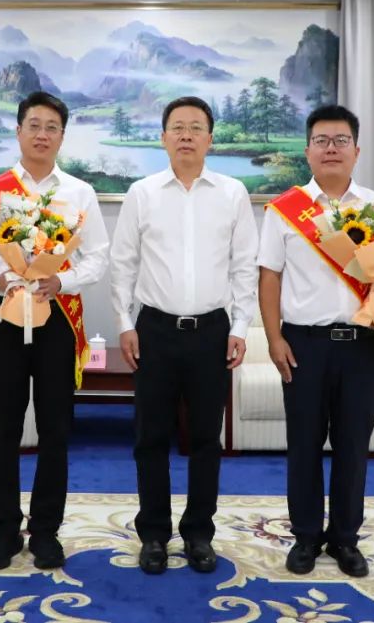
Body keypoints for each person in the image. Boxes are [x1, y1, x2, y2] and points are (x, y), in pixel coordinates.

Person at [257, 104, 374, 577]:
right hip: (303, 343)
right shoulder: (284, 211)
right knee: (303, 445)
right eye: (322, 140)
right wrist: (273, 338)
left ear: (356, 150)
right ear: (308, 150)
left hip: (362, 344)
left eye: (341, 140)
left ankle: (346, 538)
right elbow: (269, 278)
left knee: (353, 447)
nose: (331, 148)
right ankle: (306, 536)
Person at [0, 91, 109, 570]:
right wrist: (2, 278)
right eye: (34, 125)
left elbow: (97, 257)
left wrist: (61, 280)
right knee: (4, 428)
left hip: (58, 318)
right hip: (5, 317)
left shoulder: (79, 192)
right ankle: (4, 531)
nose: (42, 135)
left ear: (62, 136)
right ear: (19, 131)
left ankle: (46, 530)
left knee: (55, 429)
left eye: (51, 127)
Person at [110, 96, 258, 575]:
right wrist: (125, 323)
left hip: (212, 331)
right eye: (177, 127)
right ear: (163, 138)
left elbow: (244, 266)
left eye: (196, 127)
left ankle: (199, 534)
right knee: (150, 437)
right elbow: (122, 264)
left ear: (210, 138)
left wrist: (240, 326)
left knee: (206, 439)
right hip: (154, 329)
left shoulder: (232, 192)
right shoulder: (143, 192)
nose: (187, 135)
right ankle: (154, 534)